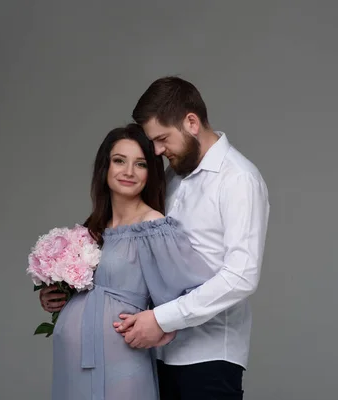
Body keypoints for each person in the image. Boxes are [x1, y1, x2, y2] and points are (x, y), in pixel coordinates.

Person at [112, 77, 270, 399]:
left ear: (192, 122)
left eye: (162, 139)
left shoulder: (238, 179)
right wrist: (72, 291)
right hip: (154, 356)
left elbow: (241, 276)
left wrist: (162, 319)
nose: (156, 151)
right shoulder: (173, 176)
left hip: (209, 358)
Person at [39, 123, 214, 400]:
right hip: (72, 362)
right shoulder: (93, 229)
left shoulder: (153, 226)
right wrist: (58, 296)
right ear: (105, 167)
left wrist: (161, 326)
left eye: (141, 164)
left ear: (150, 173)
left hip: (121, 359)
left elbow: (193, 291)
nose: (129, 172)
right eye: (119, 161)